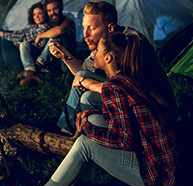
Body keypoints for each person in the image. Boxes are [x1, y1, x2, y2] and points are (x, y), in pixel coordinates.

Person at [22, 31, 178, 186]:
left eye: (97, 51)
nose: (93, 52)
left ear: (108, 58)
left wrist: (86, 129)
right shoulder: (125, 77)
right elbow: (125, 122)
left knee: (84, 143)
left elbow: (123, 141)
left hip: (157, 174)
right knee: (93, 119)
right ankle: (82, 184)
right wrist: (92, 117)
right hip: (155, 156)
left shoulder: (113, 88)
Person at [53, 1, 177, 135]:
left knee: (87, 96)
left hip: (154, 110)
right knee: (84, 81)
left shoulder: (128, 42)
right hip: (128, 99)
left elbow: (128, 90)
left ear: (110, 28)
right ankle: (72, 130)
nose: (85, 34)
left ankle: (75, 133)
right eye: (84, 27)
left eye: (92, 28)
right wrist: (65, 57)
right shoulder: (103, 42)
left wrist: (90, 84)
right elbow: (83, 70)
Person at [18, 0, 76, 87]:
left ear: (61, 8)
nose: (52, 13)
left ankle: (36, 68)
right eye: (49, 10)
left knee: (55, 37)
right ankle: (30, 71)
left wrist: (40, 35)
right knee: (24, 44)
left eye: (55, 9)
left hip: (65, 61)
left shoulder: (67, 21)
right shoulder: (47, 23)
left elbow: (59, 30)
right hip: (51, 58)